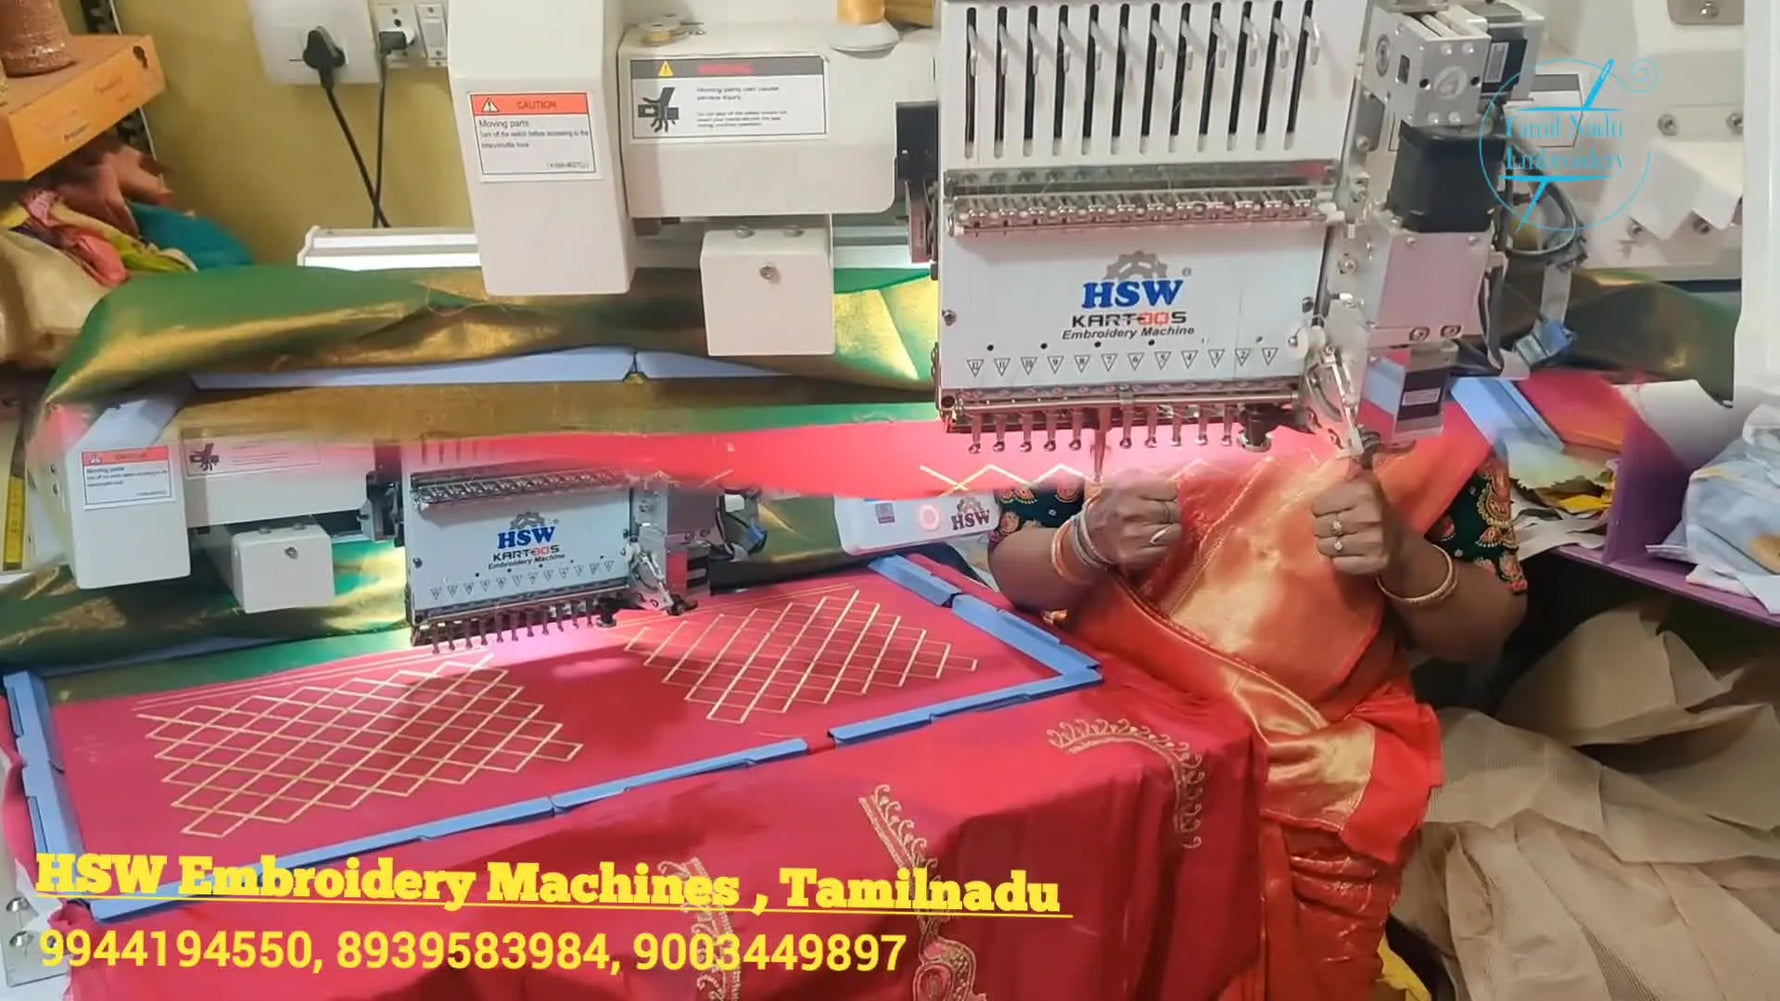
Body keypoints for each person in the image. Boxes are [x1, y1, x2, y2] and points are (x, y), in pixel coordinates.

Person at [987, 425, 1527, 1001]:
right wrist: (1085, 542)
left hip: (1307, 777)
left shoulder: (1425, 412)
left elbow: (1485, 626)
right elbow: (1014, 561)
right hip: (1111, 750)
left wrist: (1404, 557)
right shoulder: (1093, 382)